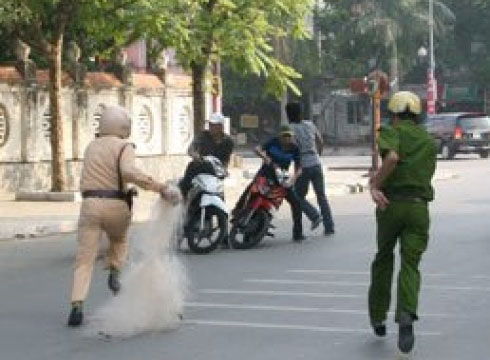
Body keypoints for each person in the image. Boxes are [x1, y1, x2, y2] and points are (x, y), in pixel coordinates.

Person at [68, 105, 181, 327]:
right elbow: (129, 173)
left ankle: (77, 304)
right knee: (119, 239)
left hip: (89, 206)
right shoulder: (124, 147)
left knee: (84, 259)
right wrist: (159, 187)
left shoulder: (91, 146)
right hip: (116, 205)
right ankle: (115, 271)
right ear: (124, 126)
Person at [367, 91, 437, 354]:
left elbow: (393, 157)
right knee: (410, 265)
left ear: (394, 115)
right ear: (417, 115)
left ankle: (378, 316)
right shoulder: (429, 141)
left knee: (384, 258)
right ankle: (406, 314)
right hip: (419, 208)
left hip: (391, 205)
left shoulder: (391, 131)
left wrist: (375, 183)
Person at [232, 125, 321, 242]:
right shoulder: (273, 142)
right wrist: (265, 157)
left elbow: (299, 168)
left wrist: (293, 179)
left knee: (296, 203)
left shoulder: (294, 148)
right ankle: (236, 220)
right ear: (280, 136)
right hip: (265, 174)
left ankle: (298, 233)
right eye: (285, 136)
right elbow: (257, 149)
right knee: (249, 194)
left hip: (281, 179)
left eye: (289, 136)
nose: (287, 139)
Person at [287, 102, 335, 235]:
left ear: (288, 114)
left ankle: (313, 216)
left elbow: (291, 147)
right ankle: (329, 227)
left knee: (297, 196)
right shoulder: (309, 124)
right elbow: (320, 141)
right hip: (316, 163)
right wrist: (317, 155)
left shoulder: (290, 128)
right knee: (322, 196)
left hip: (303, 165)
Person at [178, 113, 234, 198]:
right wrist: (195, 155)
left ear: (221, 126)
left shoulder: (228, 141)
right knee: (191, 167)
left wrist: (222, 167)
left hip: (218, 169)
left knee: (219, 192)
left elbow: (226, 160)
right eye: (210, 125)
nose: (211, 127)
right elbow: (191, 149)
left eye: (214, 125)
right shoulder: (203, 136)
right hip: (201, 164)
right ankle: (183, 194)